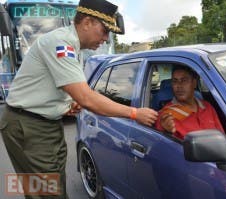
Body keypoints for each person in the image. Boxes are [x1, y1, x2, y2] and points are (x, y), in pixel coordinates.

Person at [0, 0, 157, 198]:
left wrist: (65, 105)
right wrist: (134, 113)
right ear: (87, 22)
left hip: (44, 123)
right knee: (45, 192)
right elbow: (86, 98)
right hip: (28, 126)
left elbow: (62, 88)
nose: (106, 39)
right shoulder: (60, 44)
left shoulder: (75, 48)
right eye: (104, 31)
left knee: (53, 185)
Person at [155, 65, 224, 140]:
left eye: (184, 80)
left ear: (194, 83)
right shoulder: (166, 114)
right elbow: (159, 140)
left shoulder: (207, 106)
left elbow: (222, 136)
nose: (179, 85)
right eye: (175, 81)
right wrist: (166, 131)